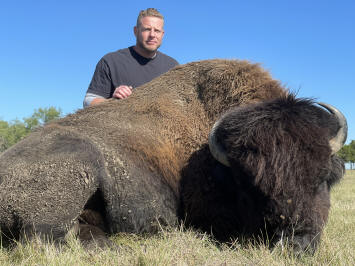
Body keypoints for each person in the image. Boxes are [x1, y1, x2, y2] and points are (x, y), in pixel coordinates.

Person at [83, 8, 178, 107]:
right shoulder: (111, 61)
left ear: (162, 34)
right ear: (135, 31)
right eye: (147, 29)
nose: (152, 35)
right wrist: (112, 102)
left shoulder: (173, 67)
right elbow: (88, 101)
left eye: (157, 31)